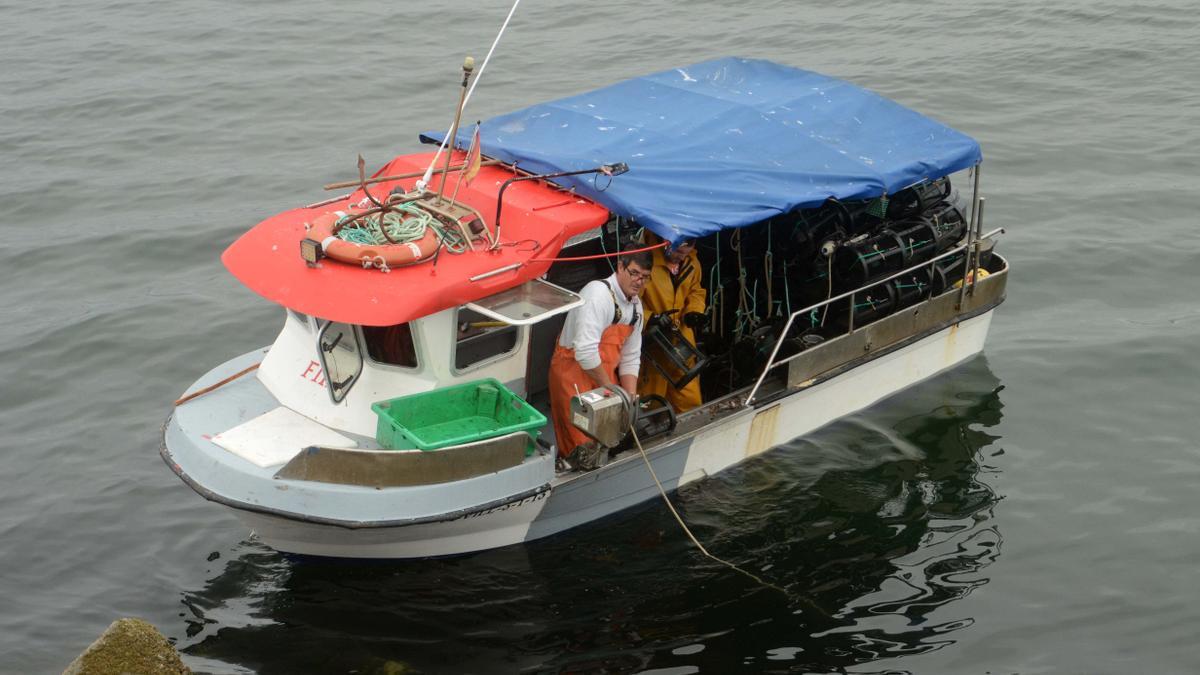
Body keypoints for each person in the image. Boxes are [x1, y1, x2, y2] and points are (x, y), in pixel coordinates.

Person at [548, 249, 652, 470]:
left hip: (604, 380)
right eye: (634, 273)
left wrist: (629, 399)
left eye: (644, 277)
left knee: (608, 437)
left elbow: (631, 356)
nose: (638, 281)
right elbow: (585, 352)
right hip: (573, 376)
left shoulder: (636, 307)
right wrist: (613, 392)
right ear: (620, 267)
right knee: (581, 444)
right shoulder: (597, 295)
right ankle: (573, 467)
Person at [637, 233, 706, 412]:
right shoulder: (645, 264)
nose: (681, 257)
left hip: (682, 342)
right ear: (666, 244)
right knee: (651, 401)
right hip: (653, 344)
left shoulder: (692, 263)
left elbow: (696, 291)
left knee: (690, 397)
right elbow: (630, 302)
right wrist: (651, 317)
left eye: (685, 253)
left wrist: (694, 312)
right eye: (678, 253)